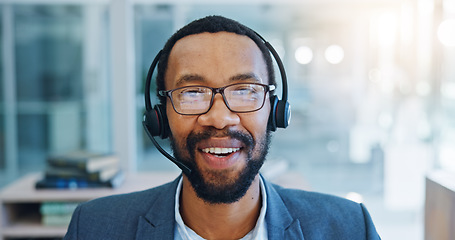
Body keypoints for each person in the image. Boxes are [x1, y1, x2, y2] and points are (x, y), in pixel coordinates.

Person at [64, 15, 381, 240]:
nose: (219, 117)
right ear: (160, 116)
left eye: (244, 91)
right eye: (192, 93)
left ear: (275, 112)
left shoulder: (350, 228)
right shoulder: (93, 228)